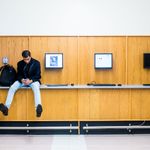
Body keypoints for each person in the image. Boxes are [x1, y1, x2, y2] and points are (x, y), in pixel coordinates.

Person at [0, 50, 43, 117]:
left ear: (30, 56)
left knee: (36, 88)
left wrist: (31, 80)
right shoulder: (19, 63)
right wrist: (22, 79)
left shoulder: (36, 63)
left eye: (28, 59)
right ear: (22, 58)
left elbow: (38, 75)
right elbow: (18, 75)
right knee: (12, 87)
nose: (26, 61)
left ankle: (38, 107)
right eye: (25, 59)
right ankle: (6, 108)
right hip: (22, 81)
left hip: (33, 81)